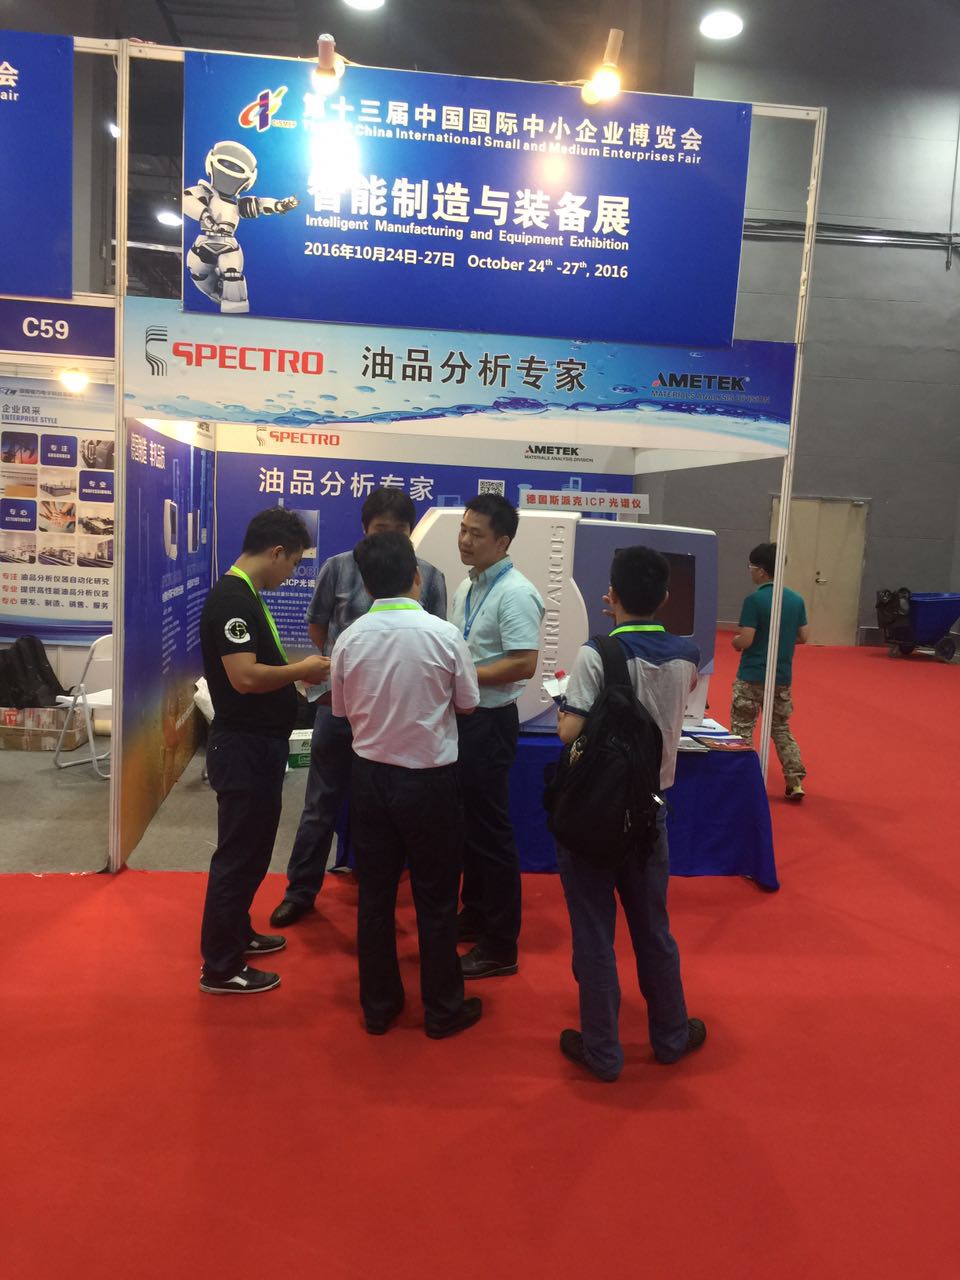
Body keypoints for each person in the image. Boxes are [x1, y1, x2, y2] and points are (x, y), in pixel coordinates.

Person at [555, 545, 706, 1081]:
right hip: (650, 811)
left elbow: (569, 731)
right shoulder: (688, 653)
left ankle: (603, 1051)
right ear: (664, 597)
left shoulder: (596, 654)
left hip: (595, 811)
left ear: (611, 595)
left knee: (594, 932)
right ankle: (670, 1037)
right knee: (653, 929)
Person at [269, 488, 447, 928]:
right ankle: (300, 890)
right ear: (365, 528)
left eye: (400, 530)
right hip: (339, 705)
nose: (391, 537)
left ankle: (381, 892)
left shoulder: (430, 575)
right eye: (382, 529)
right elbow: (318, 627)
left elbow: (437, 638)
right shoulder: (338, 567)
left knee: (389, 809)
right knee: (320, 803)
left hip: (399, 716)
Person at [331, 532, 483, 1038]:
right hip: (431, 781)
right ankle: (442, 1010)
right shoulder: (444, 635)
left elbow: (341, 711)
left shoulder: (350, 638)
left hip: (370, 779)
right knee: (436, 899)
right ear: (417, 577)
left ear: (366, 583)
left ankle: (379, 1007)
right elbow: (468, 703)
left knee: (375, 896)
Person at [198, 508, 329, 995]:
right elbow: (245, 677)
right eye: (293, 563)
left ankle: (237, 933)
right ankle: (220, 966)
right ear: (276, 552)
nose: (291, 573)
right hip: (243, 747)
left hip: (258, 745)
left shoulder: (245, 596)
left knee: (253, 852)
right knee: (238, 854)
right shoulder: (233, 600)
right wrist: (301, 671)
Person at [450, 494, 544, 979]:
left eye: (476, 534)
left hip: (489, 723)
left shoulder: (515, 593)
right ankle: (475, 913)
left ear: (502, 541)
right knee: (469, 828)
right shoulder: (468, 585)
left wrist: (459, 674)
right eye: (463, 529)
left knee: (491, 834)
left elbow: (523, 663)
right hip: (464, 720)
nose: (465, 540)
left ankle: (501, 944)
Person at [730, 541, 809, 800]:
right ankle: (795, 780)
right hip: (781, 676)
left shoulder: (754, 600)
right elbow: (804, 636)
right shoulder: (796, 600)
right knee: (781, 728)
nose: (750, 572)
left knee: (742, 727)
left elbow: (746, 639)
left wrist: (735, 642)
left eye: (751, 567)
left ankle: (742, 779)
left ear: (762, 571)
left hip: (752, 674)